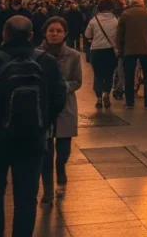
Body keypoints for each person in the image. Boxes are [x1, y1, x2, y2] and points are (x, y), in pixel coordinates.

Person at [0, 15, 67, 237]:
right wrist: (44, 123)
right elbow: (60, 98)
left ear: (4, 34)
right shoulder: (46, 62)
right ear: (32, 36)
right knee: (26, 197)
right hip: (32, 141)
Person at [38, 17, 82, 204]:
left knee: (62, 152)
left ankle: (61, 173)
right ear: (45, 33)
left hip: (65, 106)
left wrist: (61, 86)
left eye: (58, 31)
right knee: (45, 152)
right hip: (44, 107)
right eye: (51, 31)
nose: (54, 34)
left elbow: (77, 81)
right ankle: (48, 189)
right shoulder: (37, 55)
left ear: (64, 34)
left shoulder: (73, 55)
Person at [117, 0, 147, 108]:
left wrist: (119, 49)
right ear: (141, 2)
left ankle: (129, 102)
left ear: (131, 3)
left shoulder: (125, 15)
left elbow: (119, 34)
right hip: (146, 49)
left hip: (129, 50)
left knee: (129, 76)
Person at [85, 0, 120, 108]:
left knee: (98, 75)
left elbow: (87, 35)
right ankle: (106, 94)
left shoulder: (94, 20)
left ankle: (99, 99)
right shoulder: (116, 20)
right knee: (109, 74)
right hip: (110, 51)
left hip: (97, 51)